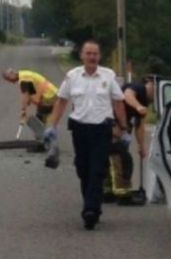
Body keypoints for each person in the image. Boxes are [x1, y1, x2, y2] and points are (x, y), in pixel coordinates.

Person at [45, 40, 128, 230]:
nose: (92, 57)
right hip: (80, 130)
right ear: (82, 55)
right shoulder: (72, 76)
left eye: (95, 54)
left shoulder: (108, 76)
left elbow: (119, 102)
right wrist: (52, 126)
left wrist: (123, 128)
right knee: (83, 169)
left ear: (99, 56)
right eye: (88, 53)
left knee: (97, 169)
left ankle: (91, 210)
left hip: (101, 130)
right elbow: (61, 101)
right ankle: (91, 204)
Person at [105, 76, 155, 204]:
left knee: (112, 160)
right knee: (122, 161)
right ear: (151, 84)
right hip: (111, 125)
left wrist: (141, 145)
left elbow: (140, 125)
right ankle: (123, 195)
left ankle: (108, 192)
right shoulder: (138, 88)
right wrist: (138, 107)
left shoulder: (145, 100)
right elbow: (127, 95)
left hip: (120, 130)